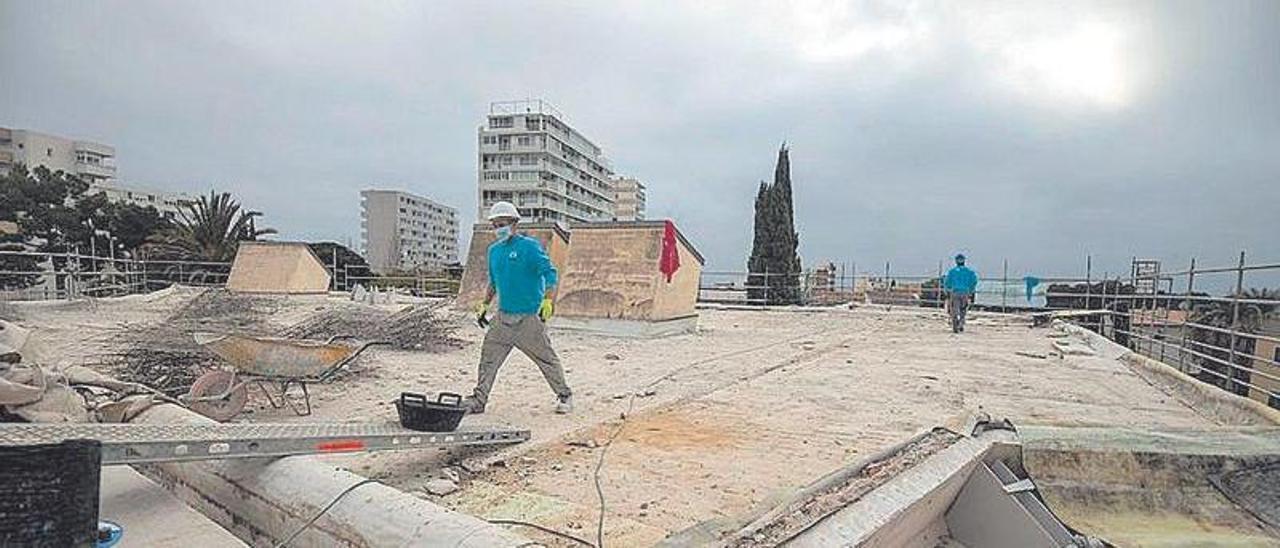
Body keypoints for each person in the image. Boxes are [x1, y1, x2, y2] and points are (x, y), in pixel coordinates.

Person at [463, 201, 573, 415]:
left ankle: (565, 396)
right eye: (495, 225)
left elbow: (550, 273)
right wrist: (484, 306)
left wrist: (548, 301)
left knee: (546, 358)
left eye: (502, 224)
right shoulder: (493, 251)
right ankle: (479, 400)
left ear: (514, 223)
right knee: (488, 359)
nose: (498, 229)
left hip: (529, 319)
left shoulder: (529, 247)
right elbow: (494, 282)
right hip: (503, 318)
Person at [943, 253, 978, 333]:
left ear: (956, 261)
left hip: (955, 292)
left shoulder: (952, 272)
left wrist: (947, 291)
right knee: (963, 309)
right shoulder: (969, 272)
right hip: (965, 292)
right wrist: (971, 291)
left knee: (954, 309)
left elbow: (947, 283)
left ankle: (955, 323)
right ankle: (961, 323)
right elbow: (974, 281)